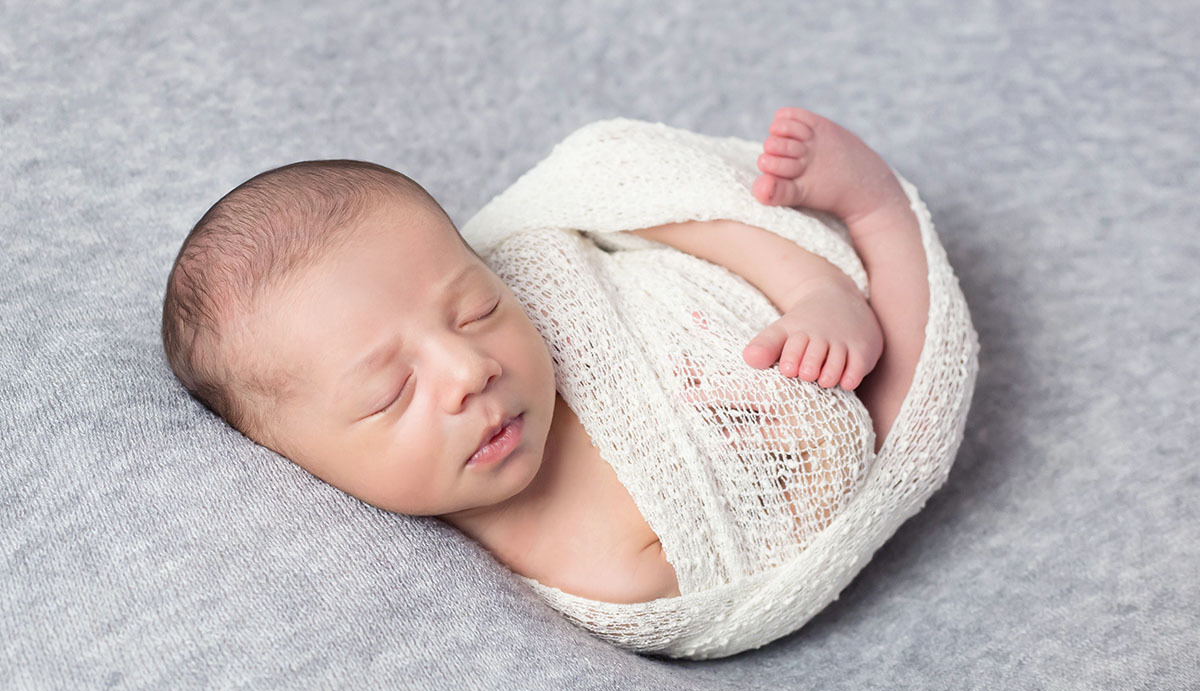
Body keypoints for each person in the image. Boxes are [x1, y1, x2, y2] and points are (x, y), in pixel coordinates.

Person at [161, 107, 930, 604]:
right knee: (901, 411)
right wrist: (794, 440)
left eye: (476, 309)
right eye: (394, 393)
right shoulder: (602, 571)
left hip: (729, 298)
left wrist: (809, 293)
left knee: (668, 226)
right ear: (299, 466)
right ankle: (879, 214)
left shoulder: (531, 274)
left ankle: (828, 265)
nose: (471, 369)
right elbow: (797, 528)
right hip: (813, 423)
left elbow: (611, 212)